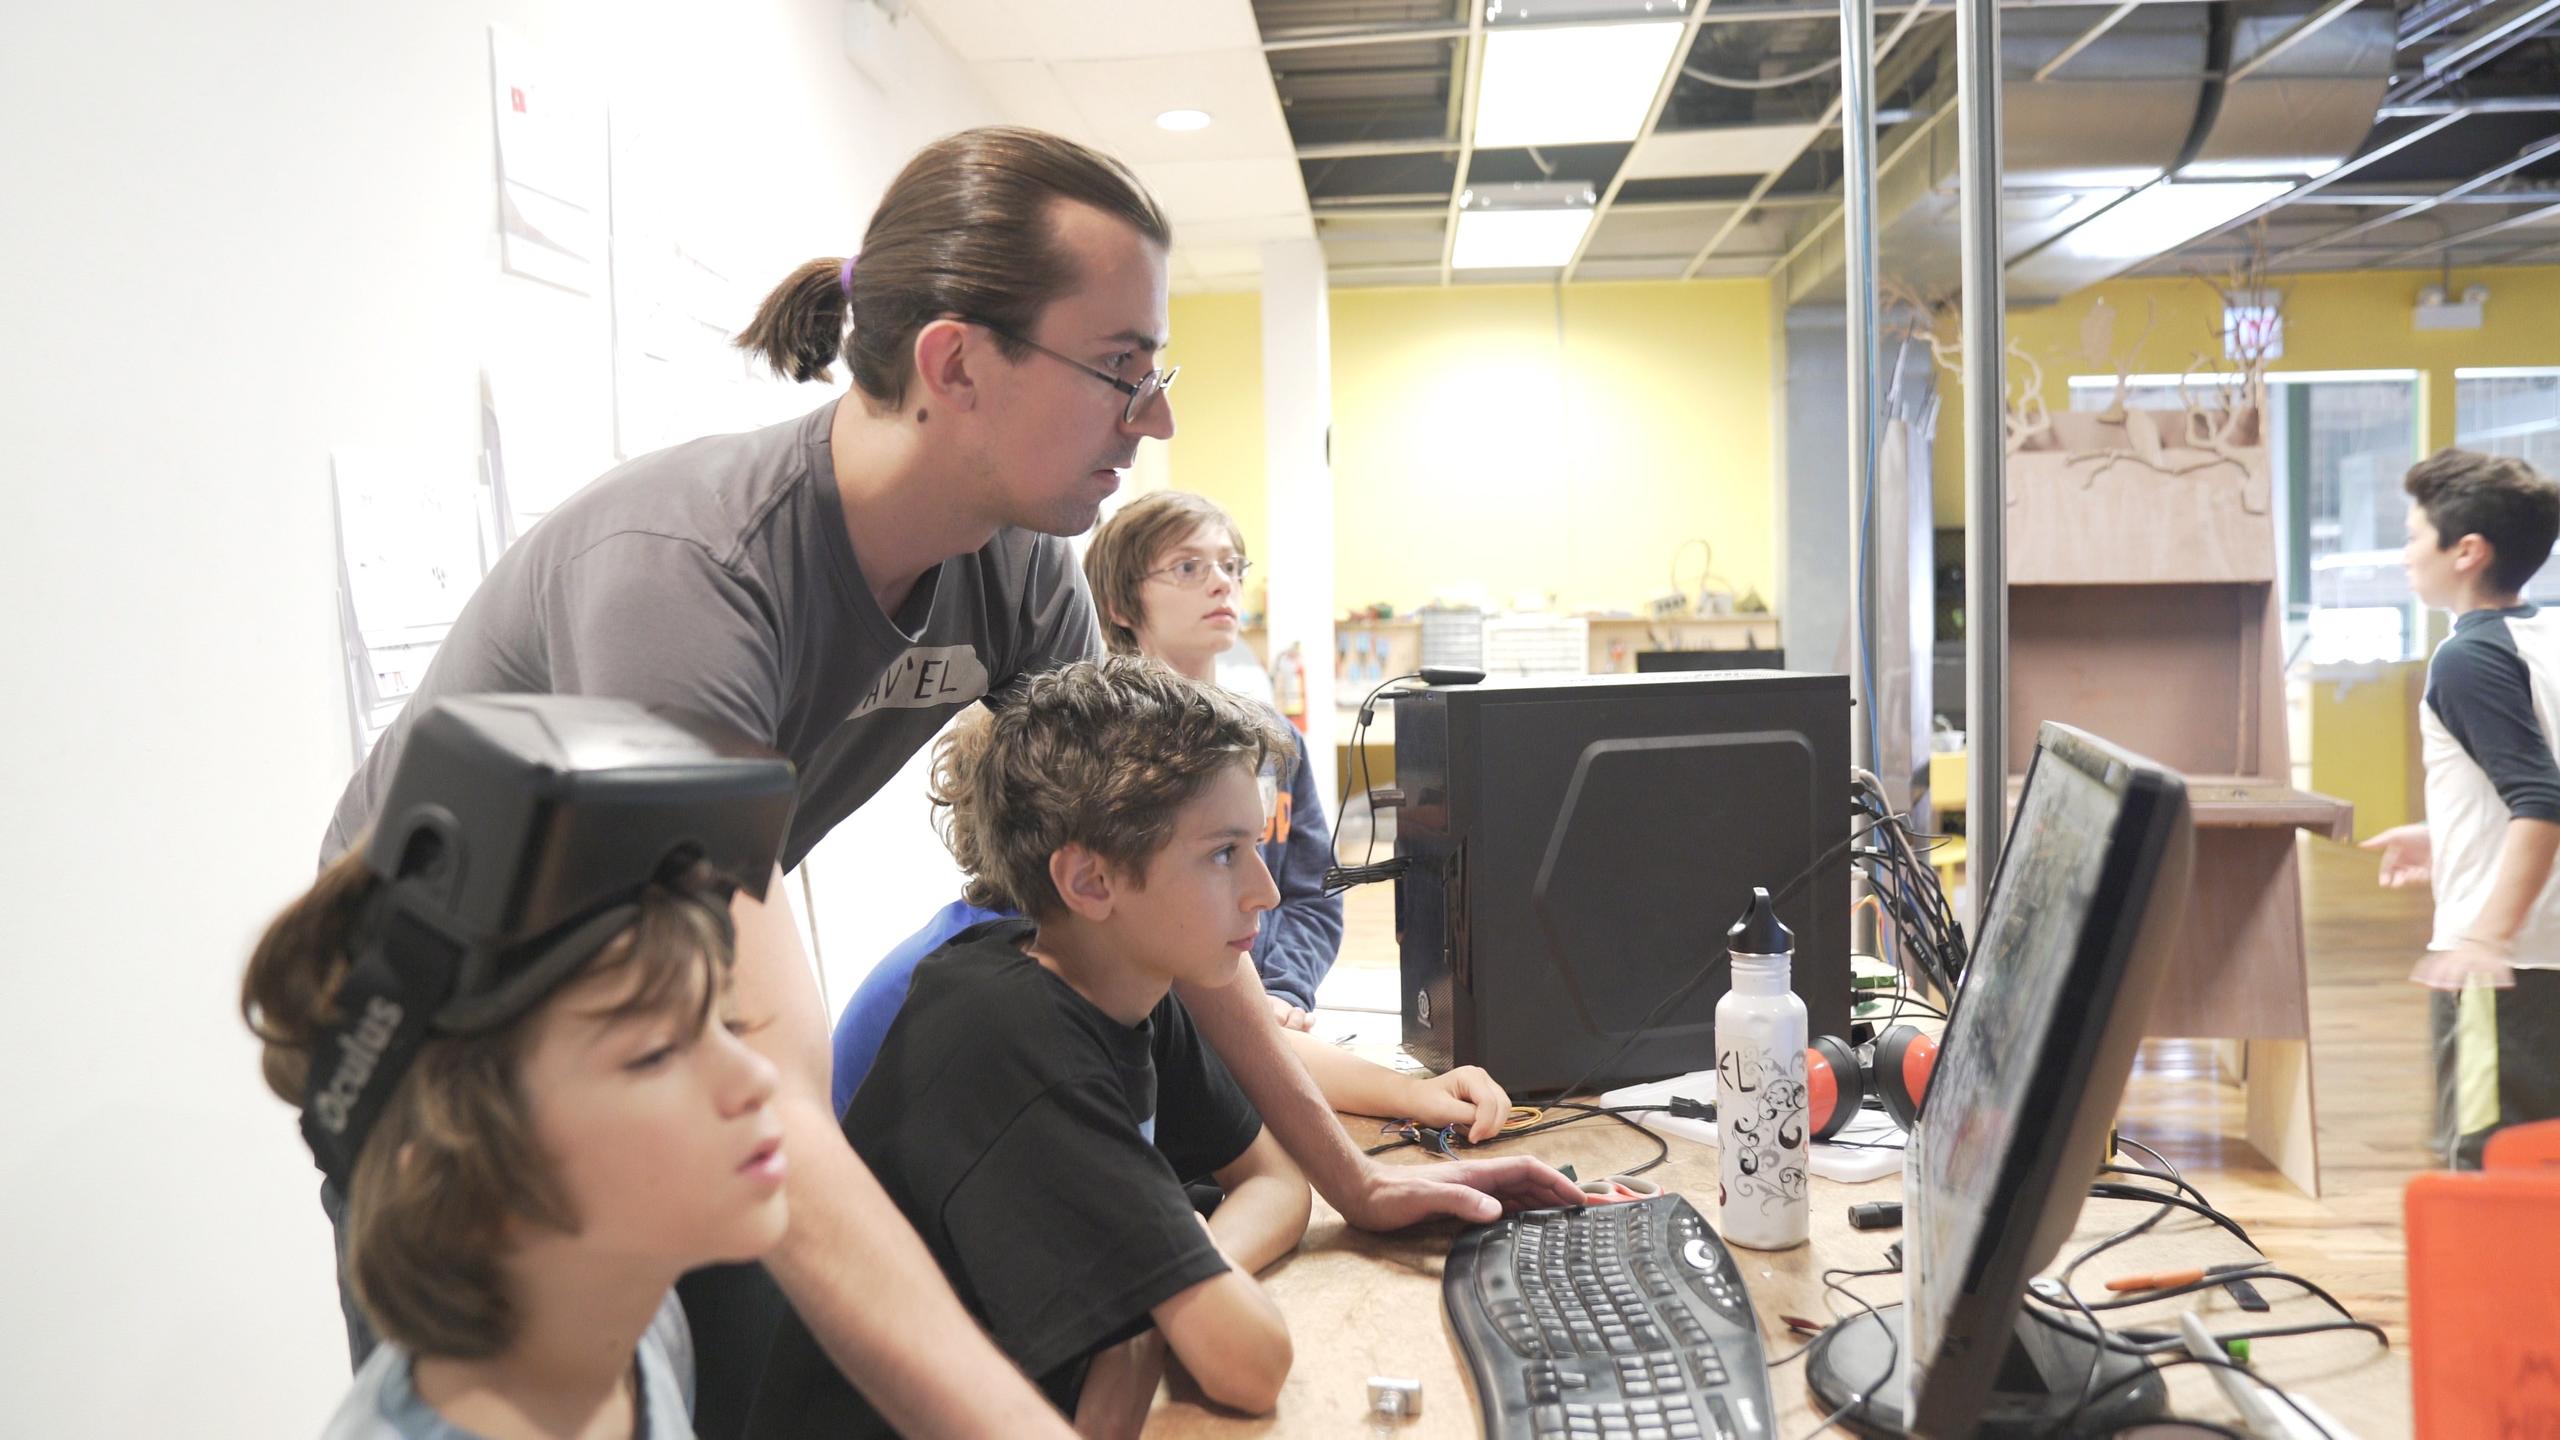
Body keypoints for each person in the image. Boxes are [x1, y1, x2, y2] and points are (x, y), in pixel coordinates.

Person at [316, 125, 1577, 1439]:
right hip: (452, 1033)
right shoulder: (691, 577)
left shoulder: (1012, 564)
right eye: (1121, 370)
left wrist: (1351, 1184)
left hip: (655, 1007)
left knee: (735, 1378)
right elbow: (775, 1070)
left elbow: (1154, 866)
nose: (1156, 417)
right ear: (956, 364)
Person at [830, 491, 1518, 1145]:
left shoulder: (1100, 964)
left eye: (1231, 565)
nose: (1220, 583)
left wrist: (1285, 1001)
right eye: (1220, 852)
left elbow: (1260, 1155)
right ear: (1086, 864)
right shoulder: (1023, 996)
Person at [750, 658, 1312, 1437]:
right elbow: (1250, 1364)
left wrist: (1163, 1291)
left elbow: (1279, 1183)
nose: (1266, 891)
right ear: (1090, 882)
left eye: (1255, 847)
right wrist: (1172, 1290)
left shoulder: (1132, 980)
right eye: (1224, 854)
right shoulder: (1011, 1037)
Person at [244, 700, 792, 1439]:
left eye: (725, 1021)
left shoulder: (633, 1324)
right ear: (466, 1166)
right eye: (656, 1053)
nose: (758, 1079)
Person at [2362, 448, 2560, 1169]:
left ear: (2467, 551)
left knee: (2492, 1168)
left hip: (2510, 970)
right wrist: (2443, 834)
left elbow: (2540, 799)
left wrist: (2485, 940)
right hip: (2545, 955)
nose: (2407, 552)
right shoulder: (2545, 636)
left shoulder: (2468, 659)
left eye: (2414, 535)